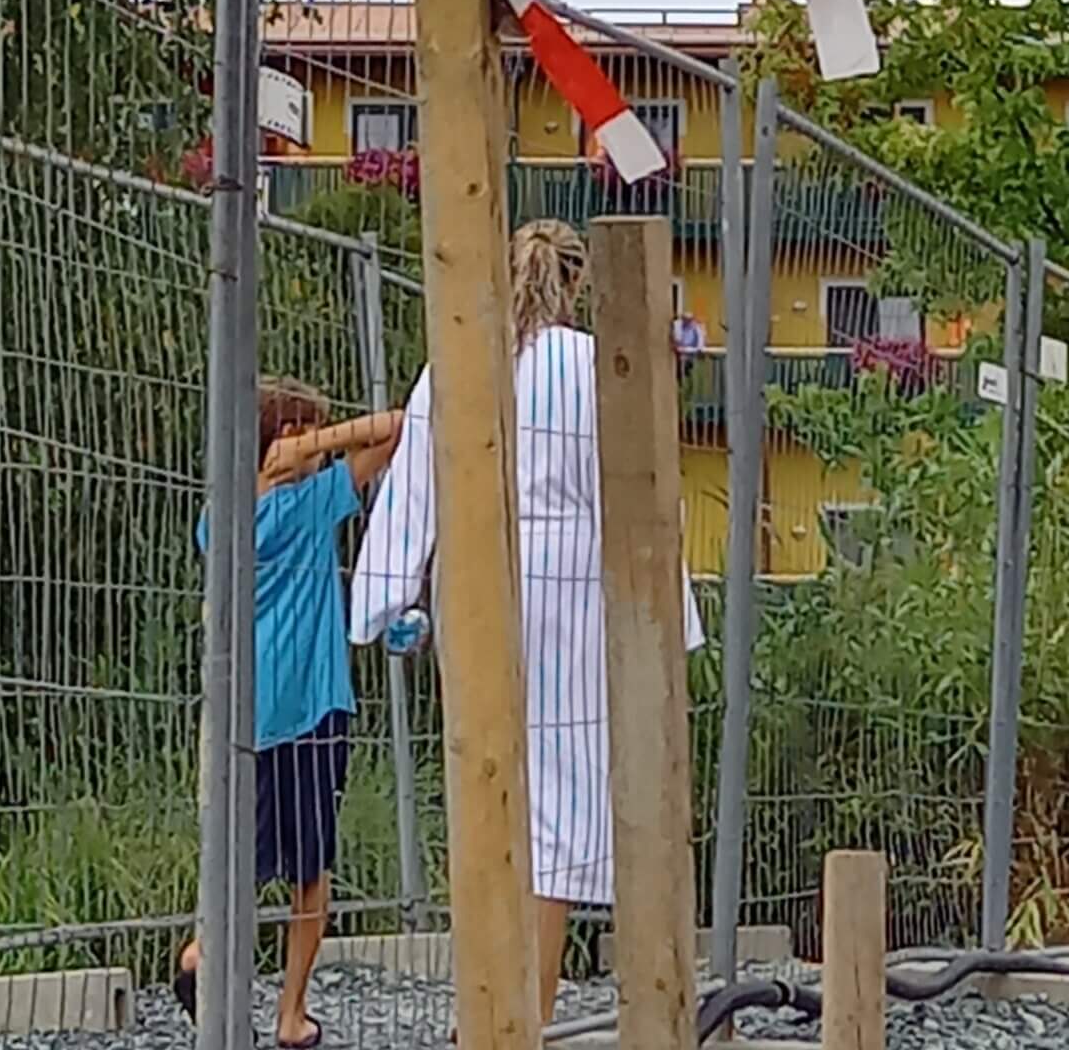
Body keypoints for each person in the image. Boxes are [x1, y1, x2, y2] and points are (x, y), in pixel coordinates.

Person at [350, 219, 703, 1024]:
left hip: (477, 578)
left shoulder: (460, 358)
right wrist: (671, 615)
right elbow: (644, 491)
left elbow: (414, 485)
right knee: (567, 799)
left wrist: (387, 600)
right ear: (576, 285)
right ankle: (530, 1009)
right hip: (575, 591)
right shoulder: (594, 366)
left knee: (490, 786)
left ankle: (494, 1001)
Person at [180, 378, 404, 1048]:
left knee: (240, 862)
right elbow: (393, 429)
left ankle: (200, 954)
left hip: (242, 716)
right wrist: (321, 445)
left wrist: (281, 459)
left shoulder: (220, 520)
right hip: (311, 709)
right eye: (310, 430)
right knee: (310, 874)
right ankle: (291, 1015)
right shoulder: (311, 504)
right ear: (288, 439)